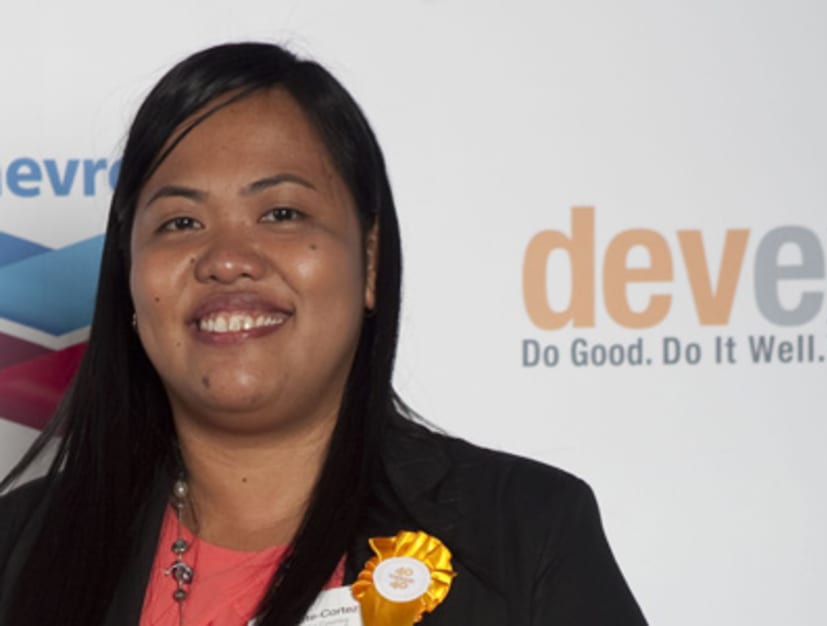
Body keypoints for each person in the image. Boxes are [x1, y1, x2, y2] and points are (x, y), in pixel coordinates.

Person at [0, 42, 647, 626]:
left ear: (370, 262)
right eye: (180, 223)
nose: (227, 259)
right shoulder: (16, 549)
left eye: (282, 213)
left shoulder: (522, 531)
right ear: (130, 279)